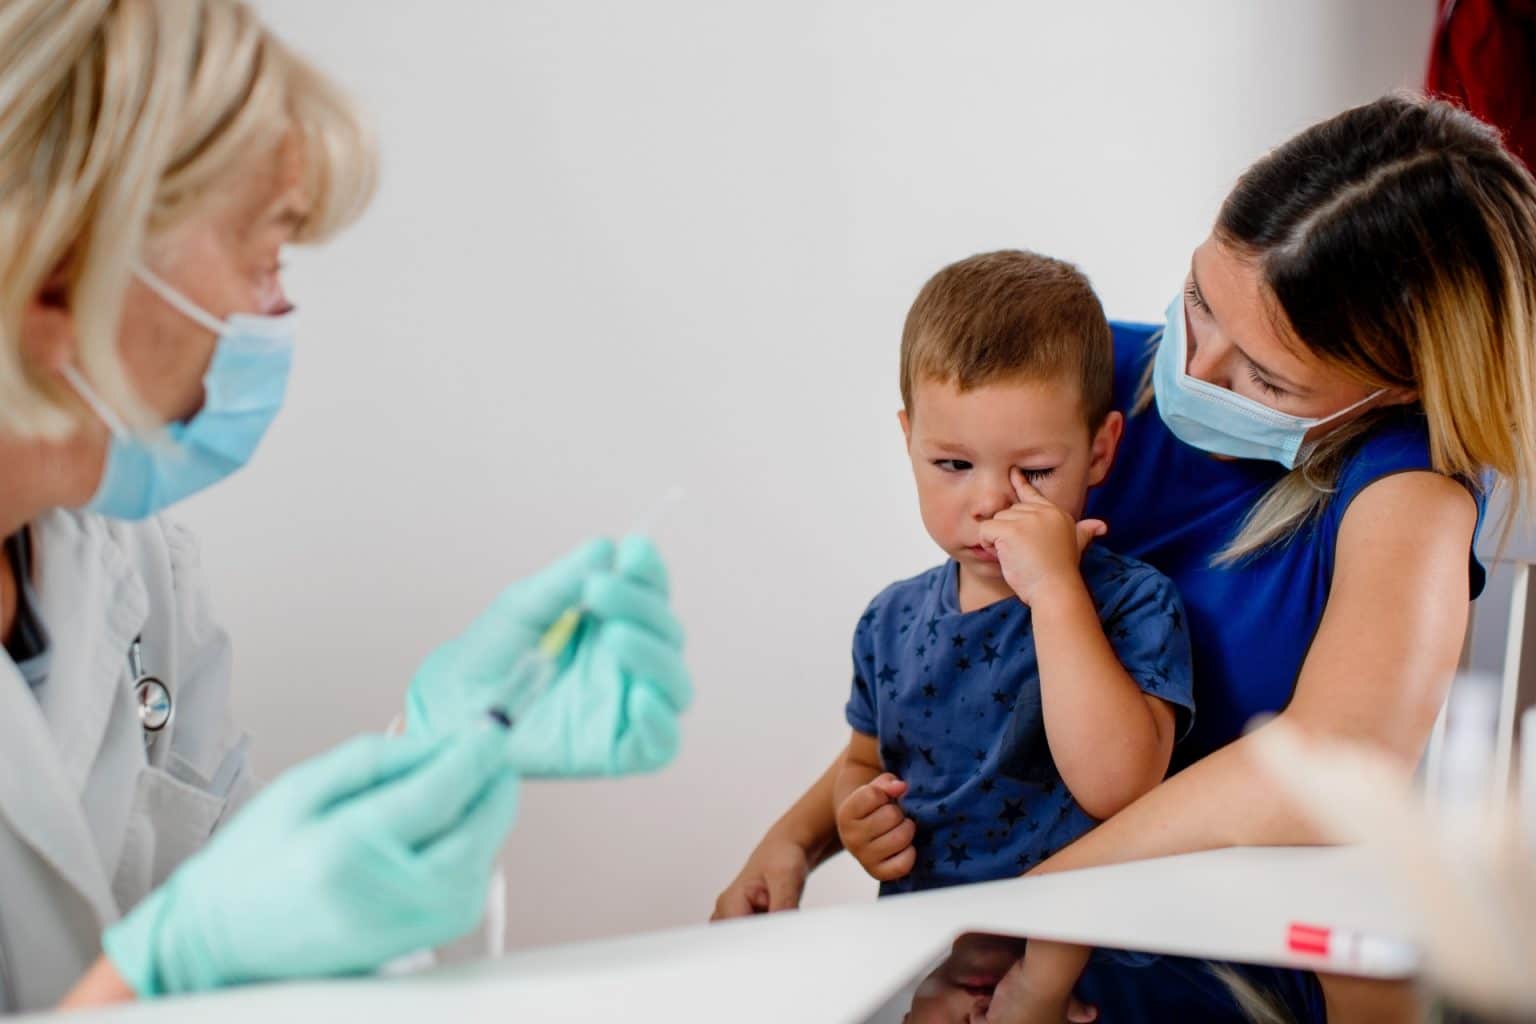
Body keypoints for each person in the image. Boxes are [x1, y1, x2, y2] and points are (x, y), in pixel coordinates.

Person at [714, 93, 1536, 1021]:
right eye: (1199, 300)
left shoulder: (1404, 496)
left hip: (1198, 945)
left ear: (1399, 381)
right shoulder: (1086, 386)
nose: (1195, 364)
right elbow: (967, 670)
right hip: (995, 928)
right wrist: (802, 835)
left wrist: (1038, 912)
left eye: (1265, 376)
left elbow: (1322, 777)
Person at [0, 0, 690, 1012]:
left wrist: (430, 755)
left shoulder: (135, 571)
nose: (276, 314)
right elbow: (183, 950)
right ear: (59, 266)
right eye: (265, 254)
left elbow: (254, 946)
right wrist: (155, 969)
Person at [835, 251, 1193, 903]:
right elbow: (866, 760)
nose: (991, 502)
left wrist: (1055, 591)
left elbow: (1119, 786)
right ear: (909, 441)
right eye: (951, 463)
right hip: (927, 944)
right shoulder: (889, 620)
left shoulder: (1133, 602)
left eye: (1034, 471)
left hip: (1076, 945)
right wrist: (857, 816)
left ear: (1099, 452)